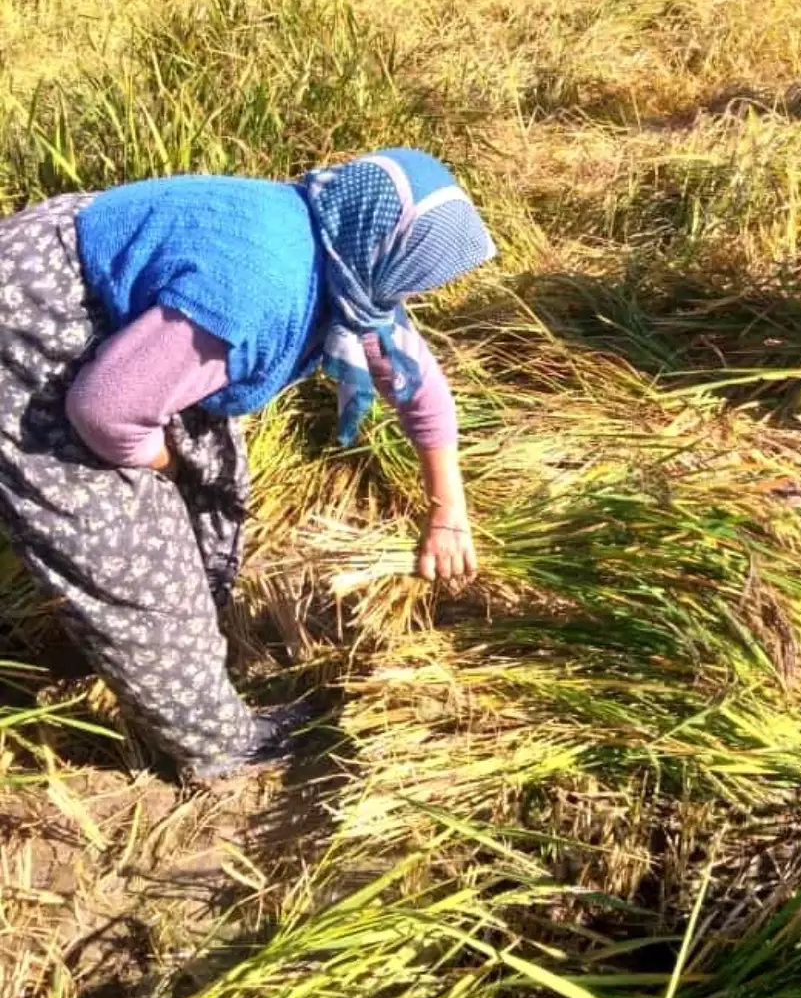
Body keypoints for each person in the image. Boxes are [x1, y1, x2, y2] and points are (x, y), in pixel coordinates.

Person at [0, 148, 495, 782]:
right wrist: (159, 458)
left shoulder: (339, 247)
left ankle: (173, 646)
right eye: (416, 276)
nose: (415, 294)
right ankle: (219, 747)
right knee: (138, 566)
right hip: (32, 334)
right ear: (384, 249)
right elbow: (103, 412)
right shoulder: (259, 287)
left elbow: (415, 380)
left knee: (213, 486)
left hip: (124, 330)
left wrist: (448, 510)